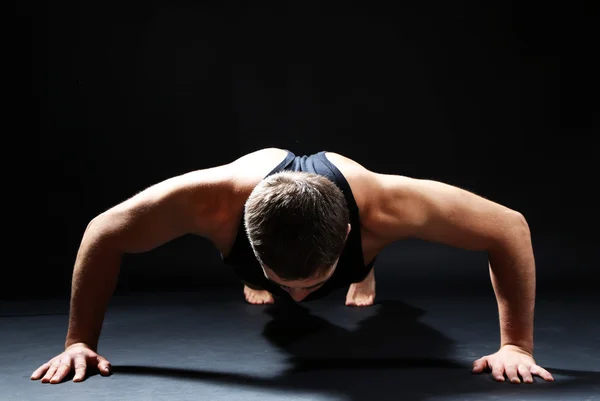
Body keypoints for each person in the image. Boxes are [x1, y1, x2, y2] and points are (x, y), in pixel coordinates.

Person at [31, 148, 555, 385]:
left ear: (348, 235)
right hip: (263, 220)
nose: (301, 300)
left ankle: (361, 268)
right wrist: (79, 339)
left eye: (313, 285)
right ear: (245, 240)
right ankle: (299, 273)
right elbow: (103, 231)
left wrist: (516, 345)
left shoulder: (387, 208)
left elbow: (509, 227)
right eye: (286, 284)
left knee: (364, 255)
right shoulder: (208, 202)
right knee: (285, 307)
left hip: (357, 226)